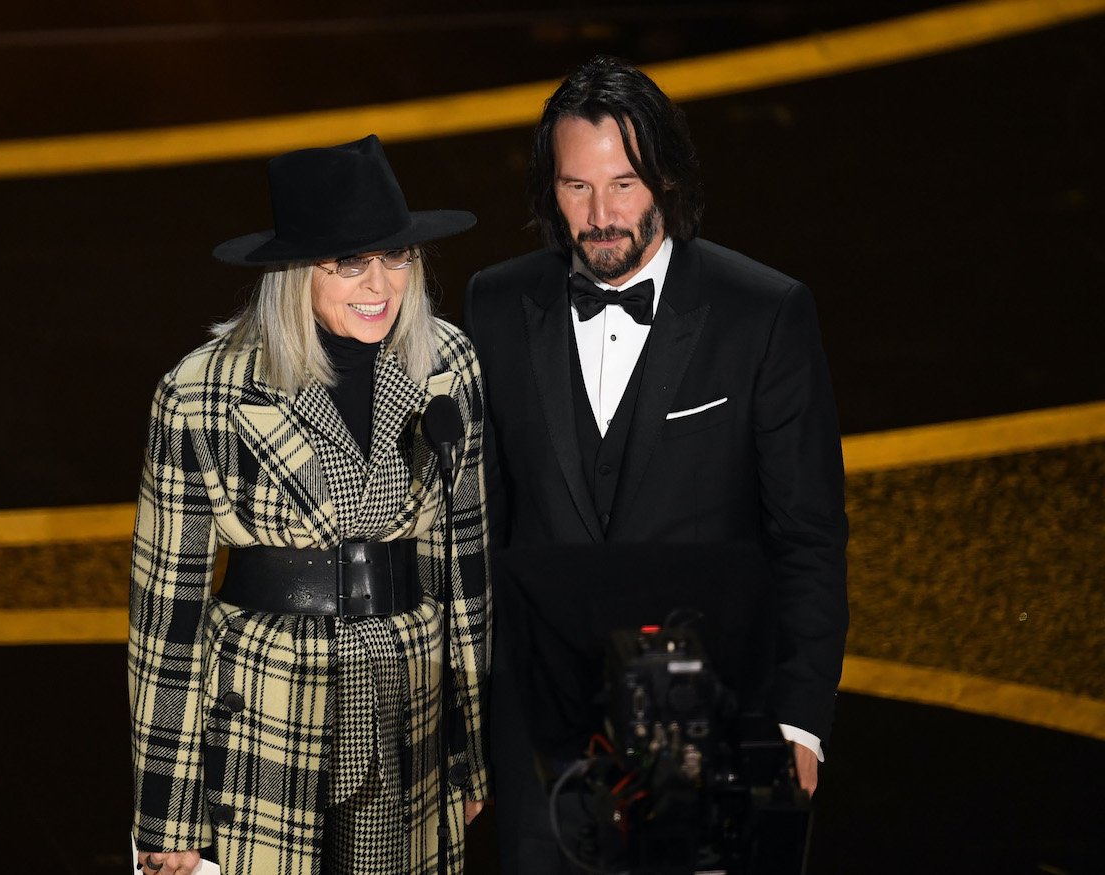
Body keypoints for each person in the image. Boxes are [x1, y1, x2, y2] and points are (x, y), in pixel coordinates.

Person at [464, 56, 848, 872]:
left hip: (715, 718)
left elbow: (808, 534)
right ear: (549, 189)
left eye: (625, 183)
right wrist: (469, 726)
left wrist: (800, 718)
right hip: (544, 734)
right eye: (576, 187)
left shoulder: (764, 313)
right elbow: (481, 535)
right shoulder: (493, 307)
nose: (601, 215)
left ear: (666, 178)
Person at [129, 135, 490, 875]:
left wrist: (473, 755)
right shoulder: (203, 393)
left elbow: (465, 570)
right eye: (350, 262)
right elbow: (167, 617)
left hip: (406, 711)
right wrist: (166, 810)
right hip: (264, 714)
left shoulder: (447, 362)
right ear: (295, 273)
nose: (380, 284)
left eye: (396, 257)